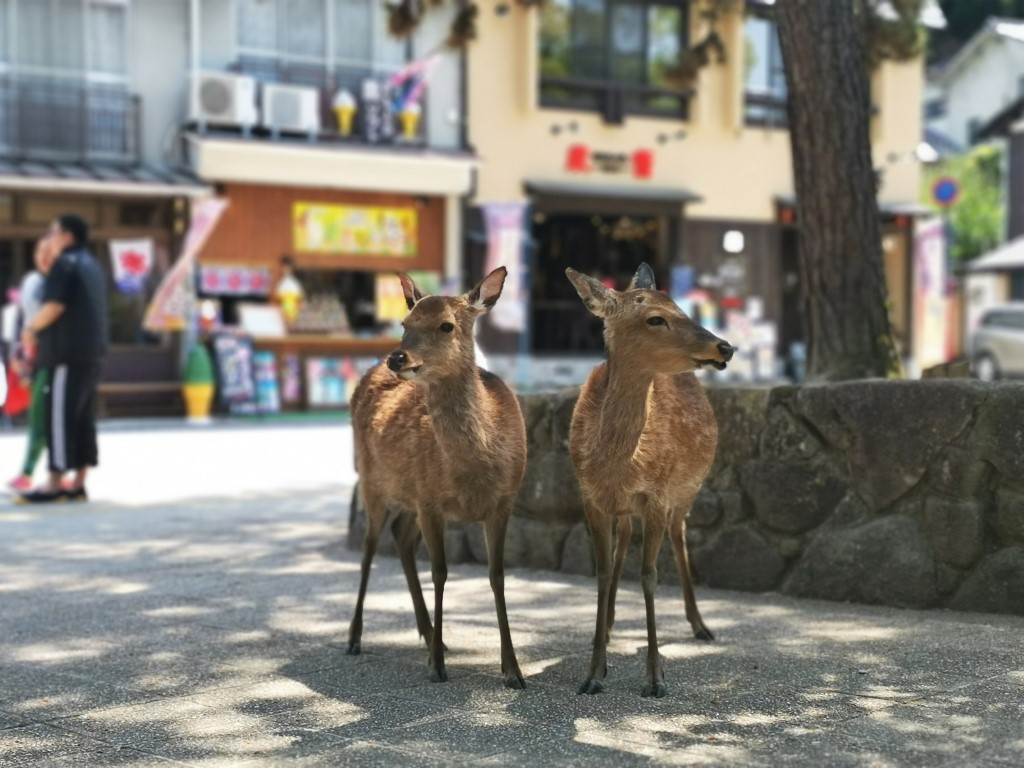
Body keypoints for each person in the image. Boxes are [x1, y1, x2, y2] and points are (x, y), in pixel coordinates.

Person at [17, 214, 108, 504]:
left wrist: (31, 329)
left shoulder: (65, 263)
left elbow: (54, 306)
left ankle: (54, 483)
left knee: (58, 416)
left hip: (66, 354)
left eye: (52, 231)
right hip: (92, 353)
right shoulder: (91, 265)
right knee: (83, 418)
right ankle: (78, 483)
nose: (48, 237)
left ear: (67, 236)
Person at [7, 238, 57, 493]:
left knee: (46, 417)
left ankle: (44, 472)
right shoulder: (31, 282)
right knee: (38, 416)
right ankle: (31, 473)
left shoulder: (62, 284)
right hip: (32, 356)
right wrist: (17, 353)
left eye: (50, 251)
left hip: (55, 358)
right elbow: (22, 318)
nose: (44, 256)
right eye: (41, 251)